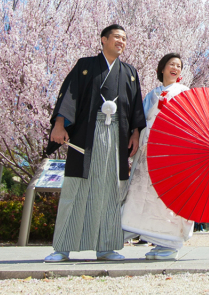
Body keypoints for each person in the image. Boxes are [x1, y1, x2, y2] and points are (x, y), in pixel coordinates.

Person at [44, 24, 146, 262]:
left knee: (112, 190)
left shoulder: (129, 72)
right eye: (117, 37)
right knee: (76, 187)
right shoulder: (85, 66)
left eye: (124, 39)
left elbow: (136, 108)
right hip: (87, 136)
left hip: (117, 136)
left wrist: (135, 133)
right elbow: (69, 95)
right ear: (103, 39)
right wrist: (60, 124)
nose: (121, 42)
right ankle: (62, 247)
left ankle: (107, 247)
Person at [122, 53, 195, 261]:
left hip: (170, 151)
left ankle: (171, 243)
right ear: (162, 68)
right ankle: (157, 240)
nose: (175, 68)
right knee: (144, 195)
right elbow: (141, 121)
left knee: (166, 198)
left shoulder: (184, 92)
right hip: (148, 150)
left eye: (179, 66)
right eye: (171, 64)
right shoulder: (151, 94)